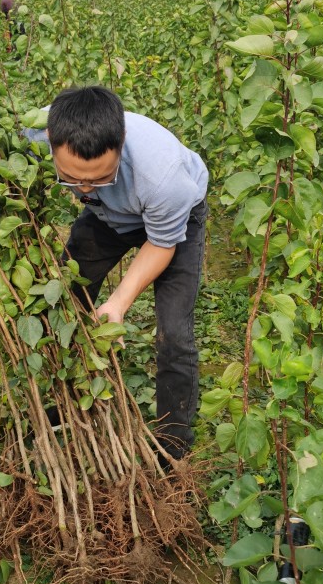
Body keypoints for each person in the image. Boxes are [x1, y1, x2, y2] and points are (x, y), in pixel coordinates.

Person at [32, 85, 208, 460]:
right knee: (63, 301)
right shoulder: (38, 128)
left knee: (174, 333)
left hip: (174, 224)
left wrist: (118, 302)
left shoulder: (165, 179)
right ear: (50, 139)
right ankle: (67, 401)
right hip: (106, 216)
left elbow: (161, 244)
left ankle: (172, 444)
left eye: (99, 178)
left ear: (121, 141)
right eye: (71, 178)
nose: (83, 187)